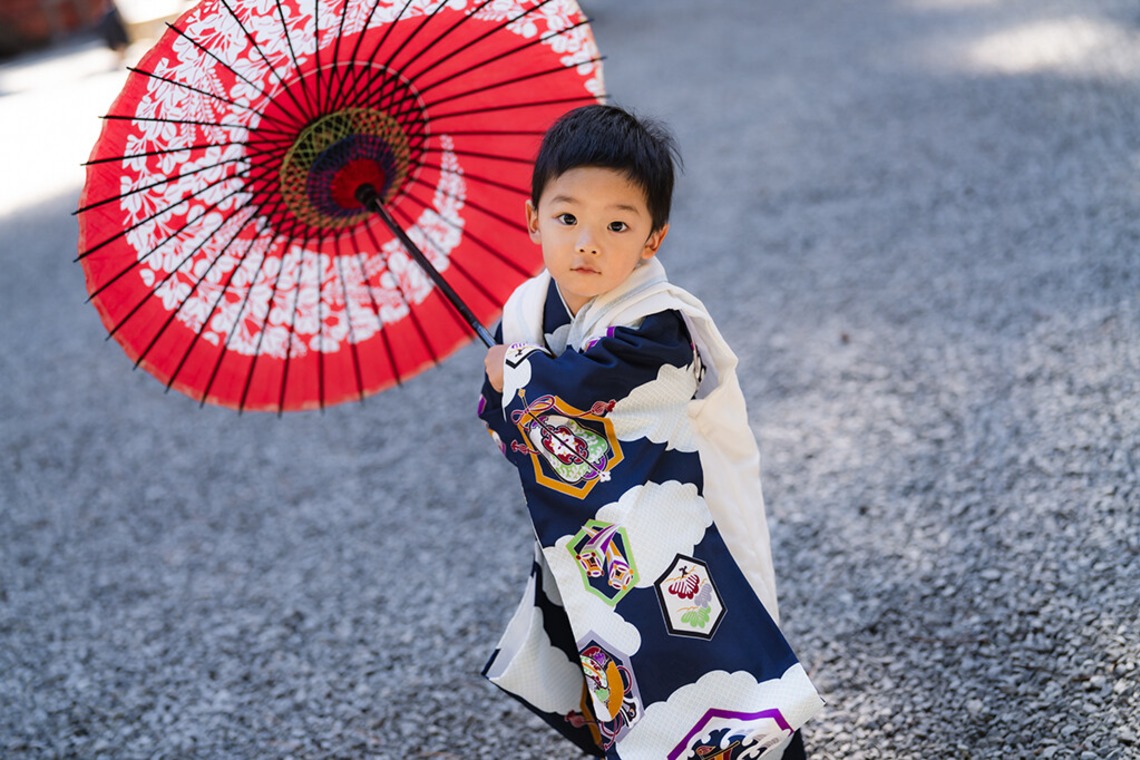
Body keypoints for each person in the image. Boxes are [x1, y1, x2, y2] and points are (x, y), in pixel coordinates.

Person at [477, 104, 821, 759]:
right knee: (619, 671)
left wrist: (516, 375)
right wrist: (503, 387)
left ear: (651, 241)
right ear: (533, 219)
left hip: (680, 534)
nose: (588, 243)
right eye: (568, 217)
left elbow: (592, 391)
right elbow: (507, 426)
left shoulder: (659, 320)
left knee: (719, 662)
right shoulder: (525, 308)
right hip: (595, 540)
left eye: (617, 224)